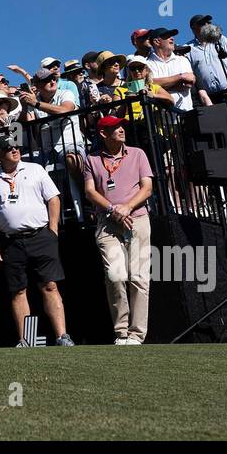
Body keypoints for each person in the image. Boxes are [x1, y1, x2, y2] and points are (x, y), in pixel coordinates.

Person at [0, 138, 74, 347]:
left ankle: (62, 336)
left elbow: (53, 198)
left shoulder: (35, 169)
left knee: (50, 285)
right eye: (9, 148)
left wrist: (53, 230)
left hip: (41, 236)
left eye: (16, 147)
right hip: (10, 242)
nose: (15, 150)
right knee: (19, 290)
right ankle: (27, 340)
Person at [82, 115, 154, 345]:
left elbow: (147, 188)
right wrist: (113, 209)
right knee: (115, 275)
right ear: (103, 134)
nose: (121, 130)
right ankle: (121, 332)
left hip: (137, 219)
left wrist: (127, 207)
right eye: (115, 127)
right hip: (107, 223)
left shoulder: (138, 154)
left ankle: (136, 334)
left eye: (121, 126)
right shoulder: (92, 159)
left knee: (139, 277)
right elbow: (90, 191)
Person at [186, 14, 227, 104]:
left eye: (208, 23)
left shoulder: (220, 40)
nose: (206, 25)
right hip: (209, 99)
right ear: (193, 28)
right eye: (202, 23)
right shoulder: (188, 48)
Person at [144, 29, 196, 112]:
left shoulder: (182, 60)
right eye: (167, 36)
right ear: (157, 42)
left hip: (186, 112)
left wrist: (160, 87)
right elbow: (149, 85)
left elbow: (189, 83)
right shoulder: (147, 64)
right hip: (161, 116)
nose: (172, 38)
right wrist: (180, 77)